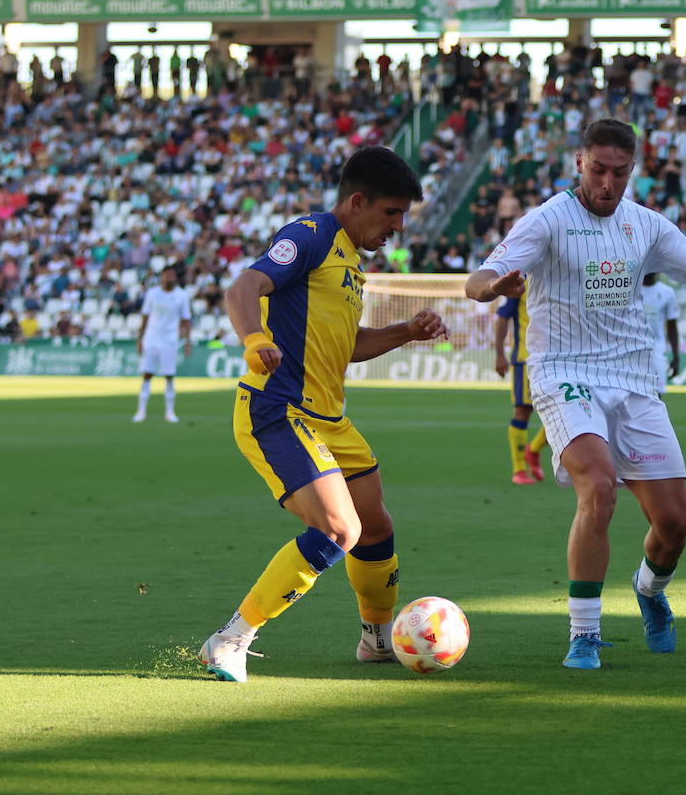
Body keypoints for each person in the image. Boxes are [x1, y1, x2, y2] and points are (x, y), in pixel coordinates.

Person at [465, 118, 686, 671]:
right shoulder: (547, 220)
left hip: (635, 378)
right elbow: (476, 281)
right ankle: (585, 634)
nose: (607, 183)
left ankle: (648, 590)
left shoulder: (645, 225)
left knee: (674, 525)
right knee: (597, 486)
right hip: (563, 371)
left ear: (632, 171)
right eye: (598, 169)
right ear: (579, 162)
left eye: (620, 172)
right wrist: (497, 285)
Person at [198, 147, 449, 683]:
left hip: (330, 419)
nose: (398, 227)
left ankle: (377, 640)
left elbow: (347, 345)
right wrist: (255, 339)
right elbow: (245, 285)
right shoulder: (309, 234)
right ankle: (230, 639)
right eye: (390, 213)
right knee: (339, 529)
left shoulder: (352, 263)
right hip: (278, 410)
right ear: (357, 202)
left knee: (376, 526)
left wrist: (406, 331)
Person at [494, 286, 548, 485]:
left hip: (557, 359)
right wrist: (499, 354)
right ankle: (519, 470)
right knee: (522, 412)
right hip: (527, 358)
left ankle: (533, 449)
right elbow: (502, 317)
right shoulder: (519, 283)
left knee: (564, 413)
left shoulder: (557, 276)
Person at [133, 265, 193, 424]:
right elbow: (145, 317)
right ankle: (141, 411)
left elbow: (186, 320)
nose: (169, 278)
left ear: (175, 277)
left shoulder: (181, 296)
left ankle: (170, 412)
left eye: (172, 275)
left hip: (170, 340)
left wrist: (188, 342)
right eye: (166, 275)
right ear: (161, 277)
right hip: (151, 339)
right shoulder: (152, 293)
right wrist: (140, 339)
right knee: (147, 375)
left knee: (169, 376)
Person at [640, 272, 680, 395]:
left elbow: (672, 326)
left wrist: (676, 357)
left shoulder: (667, 292)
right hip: (633, 345)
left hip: (657, 348)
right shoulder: (632, 291)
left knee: (657, 393)